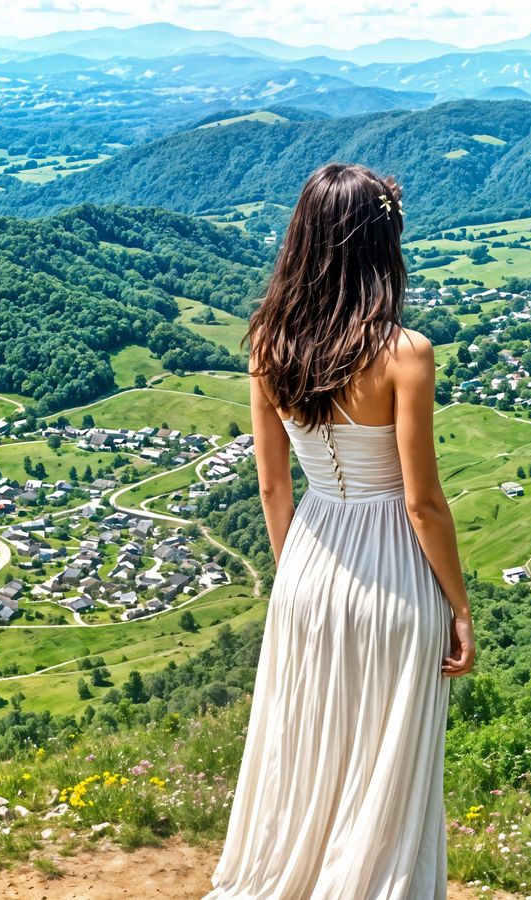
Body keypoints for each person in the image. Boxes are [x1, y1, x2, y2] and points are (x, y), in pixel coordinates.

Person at [205, 162, 477, 899]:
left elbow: (272, 484)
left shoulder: (269, 341)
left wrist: (296, 574)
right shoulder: (404, 353)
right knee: (386, 759)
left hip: (309, 563)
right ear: (380, 242)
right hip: (391, 572)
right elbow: (422, 501)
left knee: (308, 748)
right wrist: (459, 606)